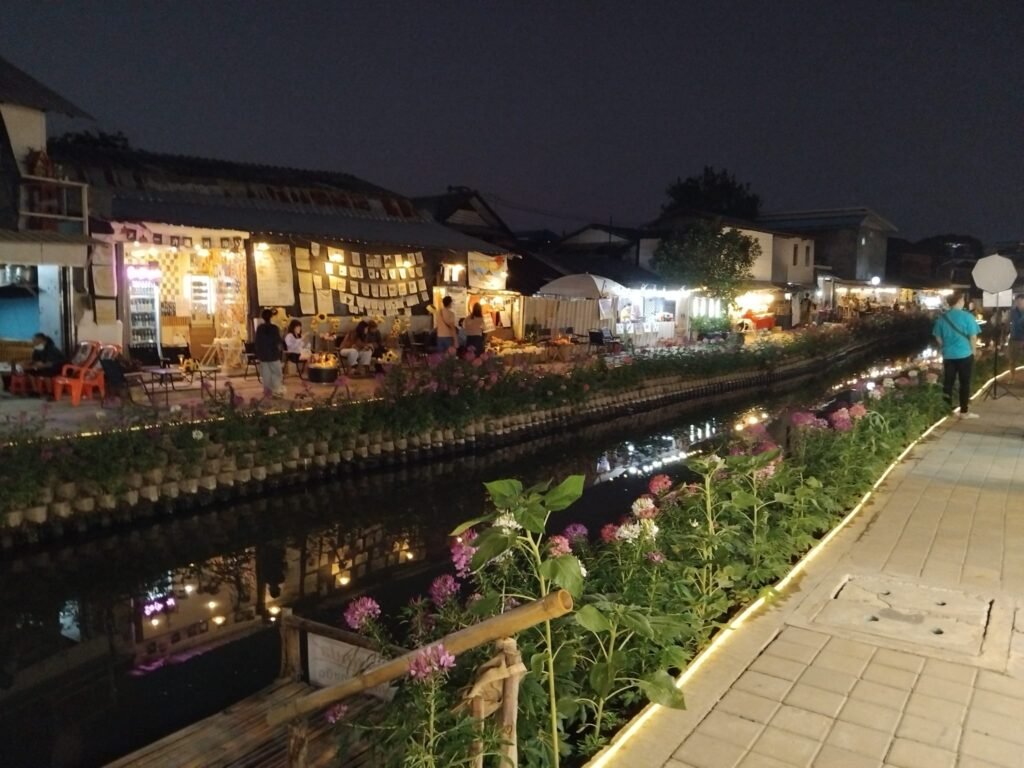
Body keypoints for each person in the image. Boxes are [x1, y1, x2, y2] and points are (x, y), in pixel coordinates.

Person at [932, 293, 981, 419]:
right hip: (965, 354)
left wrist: (945, 346)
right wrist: (973, 352)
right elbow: (973, 337)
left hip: (948, 355)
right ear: (959, 301)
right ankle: (964, 412)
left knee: (948, 383)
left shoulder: (942, 318)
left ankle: (946, 411)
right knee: (964, 383)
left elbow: (937, 337)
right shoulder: (968, 316)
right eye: (963, 299)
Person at [254, 309, 285, 397]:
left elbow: (257, 342)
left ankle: (267, 392)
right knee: (276, 373)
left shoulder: (260, 328)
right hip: (273, 355)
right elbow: (278, 342)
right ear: (271, 317)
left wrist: (259, 353)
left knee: (266, 375)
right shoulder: (274, 328)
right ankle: (277, 391)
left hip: (263, 356)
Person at [1008, 294, 1024, 383]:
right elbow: (1009, 323)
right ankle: (1012, 378)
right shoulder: (1013, 312)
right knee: (1012, 360)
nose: (1018, 303)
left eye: (1020, 301)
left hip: (1022, 338)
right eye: (1017, 301)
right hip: (1014, 338)